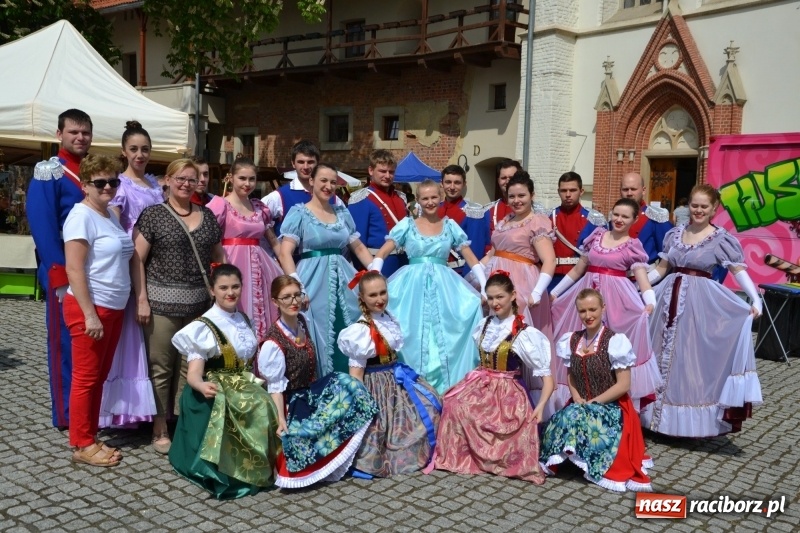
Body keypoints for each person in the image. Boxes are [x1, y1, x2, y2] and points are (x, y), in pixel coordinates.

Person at [641, 184, 763, 437]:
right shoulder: (674, 234)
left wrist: (755, 298)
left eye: (703, 206)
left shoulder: (721, 239)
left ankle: (686, 425)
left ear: (713, 209)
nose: (698, 210)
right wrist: (636, 284)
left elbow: (738, 271)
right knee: (660, 353)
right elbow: (662, 269)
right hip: (667, 300)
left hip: (699, 305)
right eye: (694, 205)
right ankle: (656, 420)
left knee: (690, 361)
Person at [132, 158, 225, 454]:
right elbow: (137, 260)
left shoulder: (208, 216)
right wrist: (142, 298)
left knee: (191, 369)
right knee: (161, 367)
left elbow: (218, 257)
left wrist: (219, 292)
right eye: (180, 179)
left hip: (199, 307)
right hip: (161, 305)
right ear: (168, 181)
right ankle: (159, 428)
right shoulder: (154, 215)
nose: (186, 184)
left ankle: (185, 423)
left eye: (191, 179)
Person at [256, 275, 378, 489]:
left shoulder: (302, 321)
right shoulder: (273, 343)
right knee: (302, 433)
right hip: (291, 399)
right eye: (286, 297)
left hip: (311, 390)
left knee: (347, 383)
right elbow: (275, 387)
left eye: (297, 295)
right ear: (275, 302)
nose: (293, 302)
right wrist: (280, 420)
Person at [169, 264, 279, 499]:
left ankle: (262, 464)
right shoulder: (204, 326)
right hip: (214, 386)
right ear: (212, 291)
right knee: (247, 405)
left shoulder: (243, 319)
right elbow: (194, 373)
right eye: (223, 288)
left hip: (243, 382)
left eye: (235, 286)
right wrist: (200, 385)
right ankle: (234, 472)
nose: (230, 292)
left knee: (265, 403)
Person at [430, 272, 553, 483]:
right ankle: (463, 457)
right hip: (482, 382)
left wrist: (540, 407)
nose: (495, 302)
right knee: (454, 403)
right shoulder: (485, 324)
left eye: (500, 297)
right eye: (491, 297)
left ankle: (500, 460)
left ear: (513, 295)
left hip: (508, 390)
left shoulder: (524, 333)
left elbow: (548, 380)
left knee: (508, 422)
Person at [373, 179, 484, 394]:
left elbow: (470, 256)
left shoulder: (450, 225)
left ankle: (448, 390)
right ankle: (411, 389)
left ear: (441, 197)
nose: (430, 202)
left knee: (446, 329)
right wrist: (374, 274)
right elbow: (383, 252)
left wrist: (486, 283)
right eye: (425, 198)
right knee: (410, 331)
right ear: (418, 200)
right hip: (410, 288)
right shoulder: (407, 224)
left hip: (445, 287)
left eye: (434, 197)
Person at [549, 198, 660, 411]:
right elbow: (577, 270)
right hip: (586, 296)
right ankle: (577, 398)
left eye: (625, 216)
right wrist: (554, 293)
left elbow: (642, 279)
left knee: (611, 350)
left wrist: (650, 303)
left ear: (634, 220)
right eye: (616, 214)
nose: (619, 219)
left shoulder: (633, 246)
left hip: (617, 302)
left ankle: (613, 403)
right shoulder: (596, 236)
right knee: (580, 346)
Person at [540, 288, 654, 492]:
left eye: (593, 309)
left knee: (575, 416)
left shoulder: (615, 341)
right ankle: (562, 458)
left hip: (612, 406)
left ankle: (590, 459)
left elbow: (623, 385)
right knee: (562, 417)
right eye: (582, 311)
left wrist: (595, 402)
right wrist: (576, 396)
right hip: (581, 403)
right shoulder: (572, 340)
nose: (588, 316)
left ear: (603, 308)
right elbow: (571, 374)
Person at [63, 154, 133, 466]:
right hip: (91, 308)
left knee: (99, 376)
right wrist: (89, 313)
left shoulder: (109, 215)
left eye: (113, 181)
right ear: (85, 185)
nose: (108, 187)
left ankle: (90, 435)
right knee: (86, 378)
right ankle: (81, 442)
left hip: (113, 306)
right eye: (100, 182)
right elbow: (74, 269)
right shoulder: (81, 216)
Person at [337, 271, 442, 477]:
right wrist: (360, 401)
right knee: (383, 427)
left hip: (395, 376)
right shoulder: (360, 331)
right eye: (373, 295)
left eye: (383, 293)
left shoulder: (387, 317)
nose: (379, 299)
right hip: (377, 385)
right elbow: (356, 372)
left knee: (431, 403)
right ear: (362, 298)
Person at [27, 108, 93, 428]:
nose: (80, 137)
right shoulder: (49, 171)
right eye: (73, 132)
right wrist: (58, 276)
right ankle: (66, 414)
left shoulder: (96, 171)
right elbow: (43, 225)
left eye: (85, 132)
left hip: (97, 273)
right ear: (59, 135)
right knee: (65, 345)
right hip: (66, 273)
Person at [278, 163, 374, 377]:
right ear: (311, 181)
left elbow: (358, 247)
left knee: (351, 326)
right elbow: (285, 253)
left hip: (344, 278)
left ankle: (350, 385)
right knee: (316, 330)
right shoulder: (299, 213)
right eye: (323, 180)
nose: (329, 186)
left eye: (333, 182)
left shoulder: (342, 212)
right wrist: (297, 287)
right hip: (312, 279)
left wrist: (376, 271)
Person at [99, 120, 159, 427]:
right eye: (134, 149)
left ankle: (156, 404)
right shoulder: (121, 186)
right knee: (132, 337)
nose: (140, 154)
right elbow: (114, 227)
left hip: (159, 266)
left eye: (145, 149)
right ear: (124, 151)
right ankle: (128, 409)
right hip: (134, 263)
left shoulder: (155, 184)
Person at [208, 157, 283, 343]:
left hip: (261, 267)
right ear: (231, 178)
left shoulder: (259, 208)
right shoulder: (220, 205)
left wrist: (289, 272)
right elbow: (209, 240)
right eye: (242, 178)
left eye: (252, 179)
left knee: (265, 315)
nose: (247, 184)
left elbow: (273, 241)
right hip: (232, 262)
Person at [348, 150, 409, 277]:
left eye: (391, 172)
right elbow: (357, 244)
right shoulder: (361, 198)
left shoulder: (401, 197)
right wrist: (366, 272)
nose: (387, 176)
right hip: (378, 265)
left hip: (404, 264)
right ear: (371, 170)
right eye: (382, 171)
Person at [263, 140, 341, 234]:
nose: (305, 167)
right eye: (301, 162)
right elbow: (258, 221)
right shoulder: (279, 196)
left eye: (310, 162)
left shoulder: (334, 200)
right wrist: (275, 245)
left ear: (318, 163)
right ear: (293, 163)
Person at [548, 172, 606, 292]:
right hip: (552, 276)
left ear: (581, 191)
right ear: (558, 192)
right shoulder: (548, 217)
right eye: (564, 191)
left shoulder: (595, 219)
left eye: (573, 190)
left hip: (582, 277)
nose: (568, 195)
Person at [437, 165, 490, 276]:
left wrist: (468, 280)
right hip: (436, 272)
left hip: (460, 274)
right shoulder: (435, 210)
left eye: (457, 183)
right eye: (448, 182)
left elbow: (476, 251)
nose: (452, 187)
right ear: (441, 183)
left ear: (464, 184)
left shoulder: (473, 212)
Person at [619, 172, 672, 264]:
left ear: (643, 190)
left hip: (647, 275)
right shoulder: (615, 217)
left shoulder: (656, 217)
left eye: (633, 189)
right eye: (625, 189)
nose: (629, 193)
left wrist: (653, 277)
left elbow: (667, 254)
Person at [483, 159, 520, 248]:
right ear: (498, 180)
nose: (507, 181)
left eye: (511, 178)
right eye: (503, 178)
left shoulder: (535, 210)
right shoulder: (488, 210)